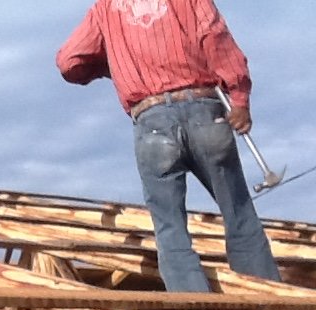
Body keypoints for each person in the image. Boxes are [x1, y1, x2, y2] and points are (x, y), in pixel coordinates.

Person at [56, 0, 282, 292]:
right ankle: (267, 305)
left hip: (151, 120)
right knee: (238, 214)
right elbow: (215, 36)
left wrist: (114, 63)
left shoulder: (106, 8)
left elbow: (69, 62)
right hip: (205, 111)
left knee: (170, 228)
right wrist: (239, 98)